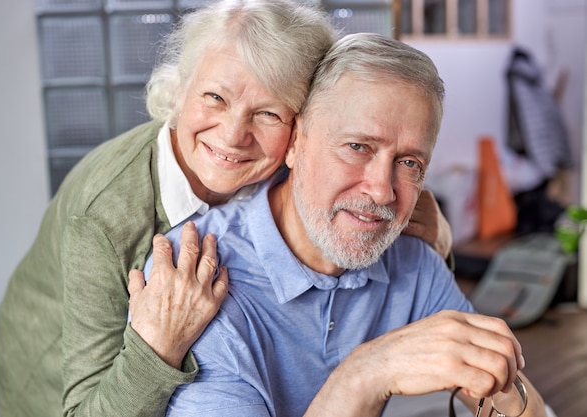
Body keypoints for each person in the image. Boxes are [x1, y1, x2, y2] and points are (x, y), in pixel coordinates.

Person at [0, 1, 452, 417]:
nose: (233, 135)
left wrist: (435, 242)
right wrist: (160, 347)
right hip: (59, 381)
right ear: (180, 88)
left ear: (299, 130)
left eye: (269, 113)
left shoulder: (301, 170)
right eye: (215, 97)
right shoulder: (107, 216)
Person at [144, 33, 547, 416]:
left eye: (409, 163)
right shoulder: (194, 278)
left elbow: (516, 403)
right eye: (358, 147)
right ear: (296, 141)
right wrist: (365, 374)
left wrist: (507, 388)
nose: (382, 191)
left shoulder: (412, 263)